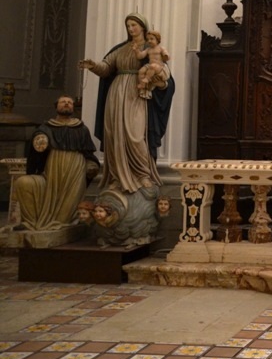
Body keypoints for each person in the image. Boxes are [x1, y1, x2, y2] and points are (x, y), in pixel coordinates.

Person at [80, 12, 174, 195]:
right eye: (128, 26)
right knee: (115, 134)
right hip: (116, 93)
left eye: (134, 25)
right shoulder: (121, 49)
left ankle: (142, 174)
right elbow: (106, 68)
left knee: (135, 135)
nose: (131, 29)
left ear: (143, 27)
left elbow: (164, 74)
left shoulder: (151, 48)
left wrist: (160, 83)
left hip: (137, 94)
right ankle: (117, 177)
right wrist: (93, 66)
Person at [9, 95, 99, 231]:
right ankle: (30, 223)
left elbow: (88, 153)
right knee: (23, 183)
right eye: (63, 102)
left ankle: (63, 224)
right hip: (50, 175)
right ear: (56, 106)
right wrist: (39, 140)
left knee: (66, 210)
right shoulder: (46, 128)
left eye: (70, 102)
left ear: (73, 107)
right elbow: (36, 150)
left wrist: (91, 164)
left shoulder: (81, 129)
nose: (67, 104)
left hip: (74, 175)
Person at [134, 30, 169, 99]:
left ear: (157, 39)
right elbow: (140, 56)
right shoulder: (148, 49)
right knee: (141, 71)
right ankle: (142, 84)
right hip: (150, 65)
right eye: (148, 39)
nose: (149, 41)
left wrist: (166, 56)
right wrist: (136, 50)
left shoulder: (160, 48)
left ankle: (146, 79)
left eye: (152, 39)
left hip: (159, 66)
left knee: (153, 66)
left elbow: (166, 54)